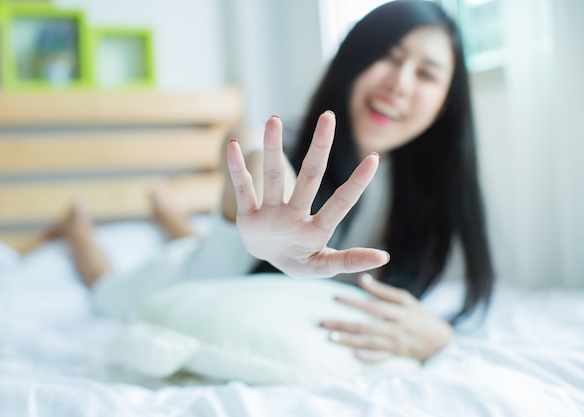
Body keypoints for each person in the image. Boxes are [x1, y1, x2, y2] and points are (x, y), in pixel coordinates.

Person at [52, 0, 494, 364]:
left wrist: (439, 337)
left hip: (229, 260)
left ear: (445, 103)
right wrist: (264, 175)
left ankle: (165, 210)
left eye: (426, 74)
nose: (399, 83)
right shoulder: (297, 147)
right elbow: (250, 151)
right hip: (190, 278)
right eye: (389, 58)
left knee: (198, 240)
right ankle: (76, 226)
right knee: (109, 289)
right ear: (352, 61)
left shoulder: (427, 192)